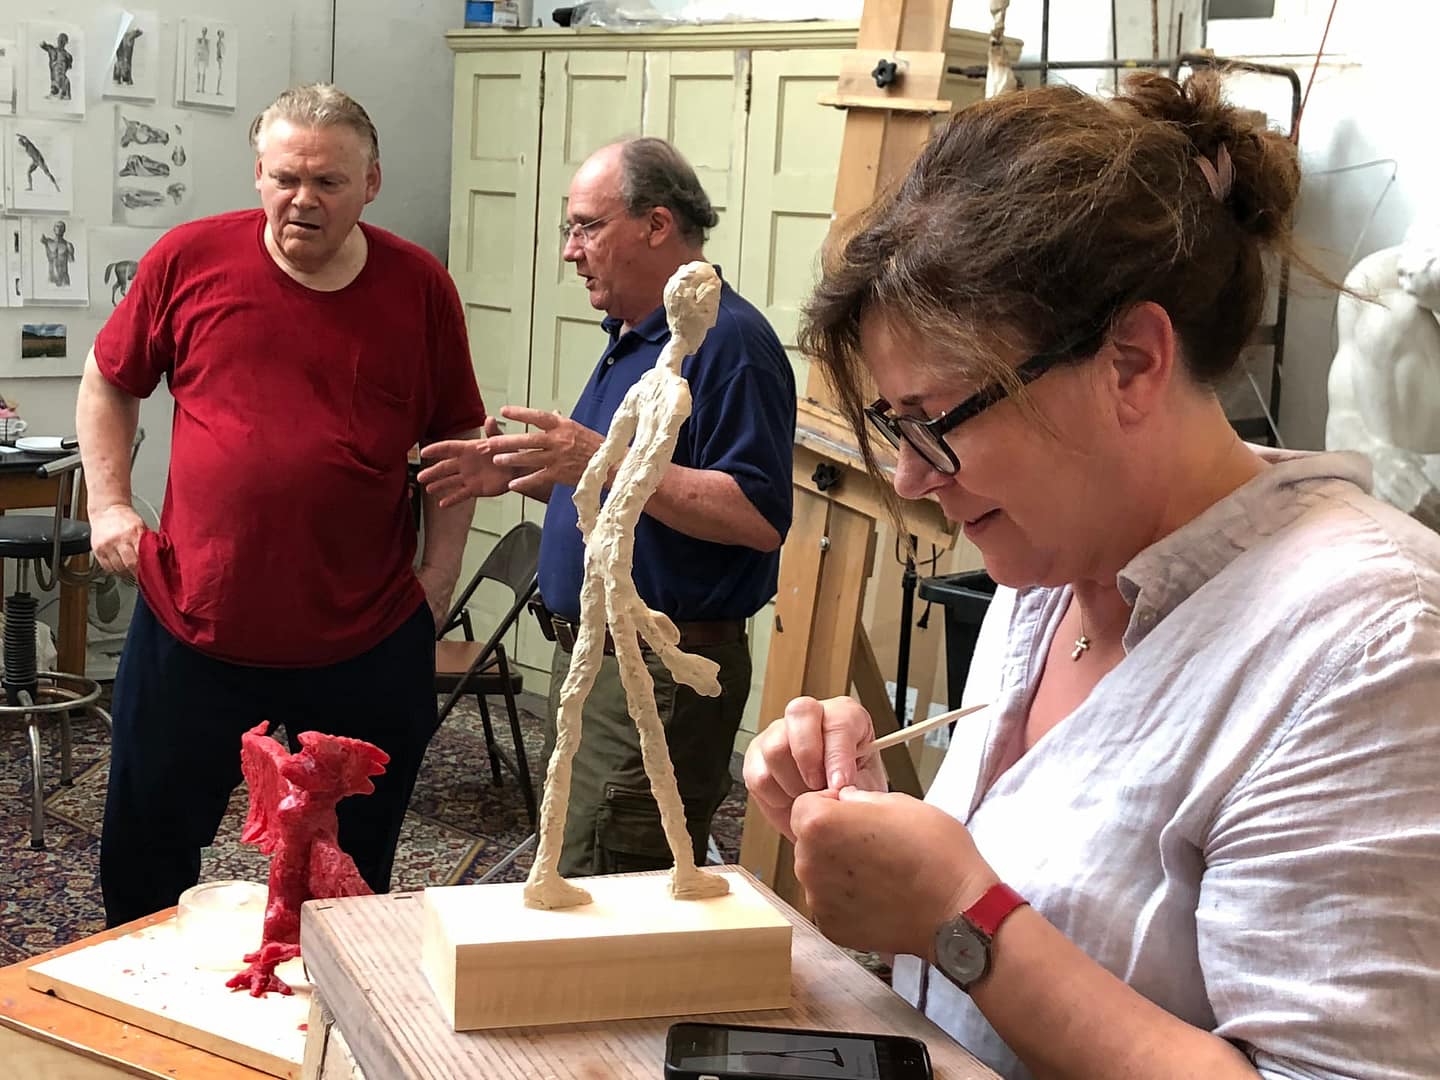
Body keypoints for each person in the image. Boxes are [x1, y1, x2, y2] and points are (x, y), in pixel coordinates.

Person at [744, 72, 1440, 1080]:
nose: (907, 477)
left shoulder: (1374, 647)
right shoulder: (1046, 577)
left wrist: (958, 916)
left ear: (1130, 362)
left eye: (933, 422)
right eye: (894, 430)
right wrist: (877, 814)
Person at [77, 84, 510, 928]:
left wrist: (439, 574)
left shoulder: (419, 286)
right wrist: (108, 505)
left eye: (328, 183)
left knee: (349, 878)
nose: (301, 200)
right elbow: (108, 378)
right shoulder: (188, 259)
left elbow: (456, 442)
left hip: (362, 637)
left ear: (372, 182)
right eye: (283, 178)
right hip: (194, 624)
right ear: (258, 174)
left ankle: (325, 1034)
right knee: (144, 858)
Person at [420, 138, 796, 877]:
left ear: (657, 225)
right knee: (577, 864)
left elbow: (755, 514)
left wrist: (594, 459)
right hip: (600, 656)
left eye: (587, 226)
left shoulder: (729, 342)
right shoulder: (635, 333)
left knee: (603, 879)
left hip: (658, 668)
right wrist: (516, 469)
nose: (570, 250)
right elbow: (620, 484)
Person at [1326, 228, 1440, 530]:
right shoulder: (1378, 281)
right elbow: (1344, 419)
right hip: (1416, 503)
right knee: (1389, 319)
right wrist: (1379, 461)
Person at [40, 219, 74, 288]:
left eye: (61, 227)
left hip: (63, 278)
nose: (59, 228)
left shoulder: (68, 245)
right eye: (57, 226)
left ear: (64, 230)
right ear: (54, 229)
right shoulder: (48, 242)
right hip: (51, 277)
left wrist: (70, 253)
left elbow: (71, 261)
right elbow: (42, 239)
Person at [39, 33, 72, 100]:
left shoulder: (67, 55)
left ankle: (62, 93)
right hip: (54, 81)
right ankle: (55, 92)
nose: (61, 41)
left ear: (66, 42)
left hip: (61, 82)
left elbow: (69, 67)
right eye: (60, 39)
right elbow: (42, 45)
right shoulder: (52, 50)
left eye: (62, 40)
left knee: (61, 80)